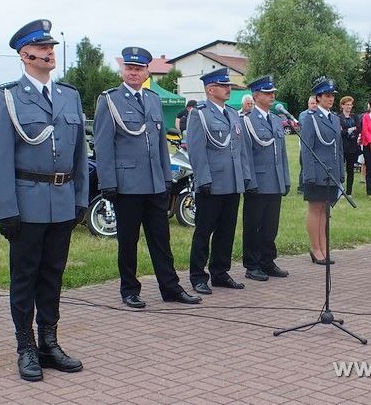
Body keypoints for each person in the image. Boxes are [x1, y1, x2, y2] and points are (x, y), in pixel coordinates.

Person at [0, 19, 87, 381]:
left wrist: (80, 198)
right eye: (42, 48)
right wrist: (7, 209)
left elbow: (79, 153)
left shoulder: (69, 96)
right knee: (25, 278)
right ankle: (25, 347)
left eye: (51, 48)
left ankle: (49, 342)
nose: (49, 53)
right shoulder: (10, 97)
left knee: (53, 276)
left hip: (61, 201)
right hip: (26, 204)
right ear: (24, 54)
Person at [93, 47, 201, 308]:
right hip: (127, 184)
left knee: (161, 239)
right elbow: (103, 144)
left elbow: (160, 143)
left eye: (138, 69)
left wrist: (166, 176)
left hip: (154, 183)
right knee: (128, 241)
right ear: (122, 71)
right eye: (129, 68)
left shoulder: (152, 99)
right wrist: (107, 182)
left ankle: (170, 287)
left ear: (146, 72)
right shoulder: (109, 100)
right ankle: (129, 289)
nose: (133, 72)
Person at [186, 67, 251, 295]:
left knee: (227, 230)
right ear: (210, 89)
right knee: (204, 231)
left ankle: (220, 272)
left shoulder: (233, 114)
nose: (228, 89)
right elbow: (196, 150)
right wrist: (203, 179)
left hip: (232, 182)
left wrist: (244, 177)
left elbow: (240, 149)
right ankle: (198, 276)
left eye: (229, 85)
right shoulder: (200, 114)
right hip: (211, 183)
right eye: (224, 86)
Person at [240, 75, 291, 281]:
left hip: (275, 180)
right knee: (253, 225)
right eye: (268, 93)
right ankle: (252, 264)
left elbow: (283, 153)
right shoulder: (247, 120)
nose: (272, 96)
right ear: (256, 95)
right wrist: (249, 181)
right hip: (258, 181)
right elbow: (245, 154)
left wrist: (285, 178)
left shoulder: (276, 120)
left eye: (273, 93)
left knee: (271, 224)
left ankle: (267, 261)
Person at [300, 77, 344, 265]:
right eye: (326, 95)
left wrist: (341, 172)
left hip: (331, 170)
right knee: (315, 209)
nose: (330, 99)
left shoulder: (334, 118)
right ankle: (315, 248)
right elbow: (307, 149)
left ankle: (324, 247)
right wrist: (308, 175)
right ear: (317, 98)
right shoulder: (311, 118)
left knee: (325, 210)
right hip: (317, 171)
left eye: (332, 95)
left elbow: (339, 148)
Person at [338, 96, 361, 195]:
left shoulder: (355, 117)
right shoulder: (338, 117)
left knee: (350, 170)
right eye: (347, 104)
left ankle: (349, 192)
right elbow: (340, 132)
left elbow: (358, 129)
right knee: (340, 169)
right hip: (342, 146)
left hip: (352, 147)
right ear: (342, 105)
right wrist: (350, 130)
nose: (349, 106)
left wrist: (347, 130)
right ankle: (340, 190)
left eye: (350, 104)